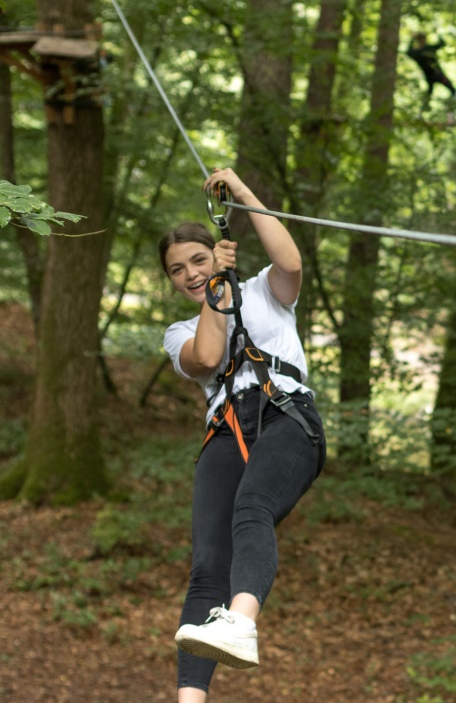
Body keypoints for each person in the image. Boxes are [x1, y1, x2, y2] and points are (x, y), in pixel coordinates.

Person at [160, 167, 326, 703]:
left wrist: (246, 194)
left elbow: (292, 261)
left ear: (220, 252)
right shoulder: (179, 332)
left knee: (252, 505)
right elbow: (207, 357)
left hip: (286, 416)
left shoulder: (265, 292)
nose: (189, 273)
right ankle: (190, 699)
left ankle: (242, 621)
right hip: (226, 430)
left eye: (199, 260)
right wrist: (214, 293)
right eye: (177, 270)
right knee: (208, 564)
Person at [406, 32, 456, 112]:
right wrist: (412, 38)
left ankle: (451, 112)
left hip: (436, 74)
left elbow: (441, 44)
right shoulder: (417, 52)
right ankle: (421, 113)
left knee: (452, 90)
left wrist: (437, 33)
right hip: (431, 75)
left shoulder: (427, 48)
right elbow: (408, 52)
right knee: (430, 93)